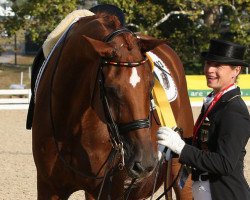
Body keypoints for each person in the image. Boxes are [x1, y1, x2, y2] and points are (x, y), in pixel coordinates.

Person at [157, 39, 250, 200]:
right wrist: (173, 145)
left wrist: (182, 149)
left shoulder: (234, 110)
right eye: (208, 63)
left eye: (218, 65)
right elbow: (205, 146)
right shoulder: (215, 102)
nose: (210, 70)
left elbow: (224, 163)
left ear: (236, 70)